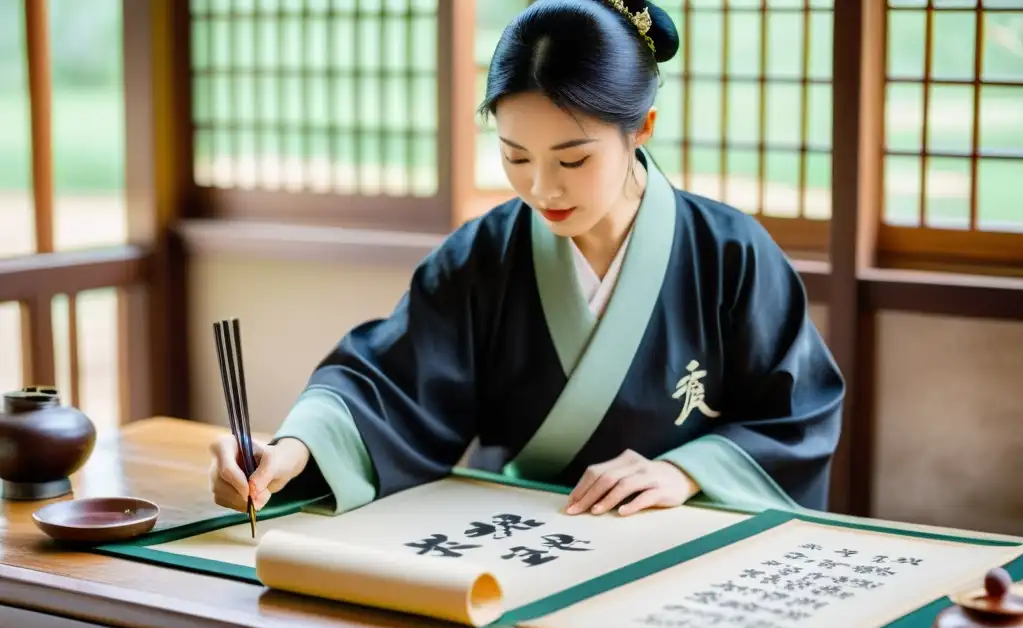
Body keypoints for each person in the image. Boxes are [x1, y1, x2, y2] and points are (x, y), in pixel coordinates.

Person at [209, 0, 845, 519]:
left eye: (572, 160)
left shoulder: (729, 255)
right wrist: (292, 450)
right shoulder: (486, 254)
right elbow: (392, 383)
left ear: (642, 127)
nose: (543, 188)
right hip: (511, 540)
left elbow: (796, 415)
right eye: (516, 157)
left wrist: (686, 471)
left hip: (673, 548)